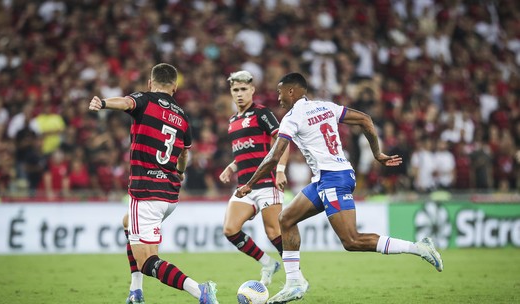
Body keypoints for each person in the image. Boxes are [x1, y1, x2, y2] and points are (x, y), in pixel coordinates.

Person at [236, 72, 443, 304]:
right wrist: (377, 153)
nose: (278, 96)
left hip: (333, 179)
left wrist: (249, 185)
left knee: (351, 241)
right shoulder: (326, 107)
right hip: (328, 177)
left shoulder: (292, 117)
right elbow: (365, 119)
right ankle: (295, 283)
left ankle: (418, 247)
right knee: (286, 219)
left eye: (280, 91)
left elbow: (274, 156)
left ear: (292, 91)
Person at [88, 63, 219, 304]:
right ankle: (136, 291)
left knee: (147, 262)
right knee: (128, 222)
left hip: (146, 191)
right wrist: (180, 172)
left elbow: (126, 103)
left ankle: (199, 290)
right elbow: (184, 155)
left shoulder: (145, 100)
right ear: (175, 87)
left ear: (150, 83)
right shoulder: (182, 117)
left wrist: (103, 103)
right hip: (169, 195)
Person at [218, 70, 289, 286]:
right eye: (235, 90)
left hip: (266, 183)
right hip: (244, 186)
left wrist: (280, 169)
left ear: (252, 90)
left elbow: (282, 141)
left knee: (273, 232)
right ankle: (268, 263)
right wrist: (231, 166)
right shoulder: (232, 120)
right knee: (230, 229)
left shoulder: (262, 114)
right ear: (231, 92)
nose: (239, 94)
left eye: (243, 89)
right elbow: (245, 151)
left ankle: (296, 277)